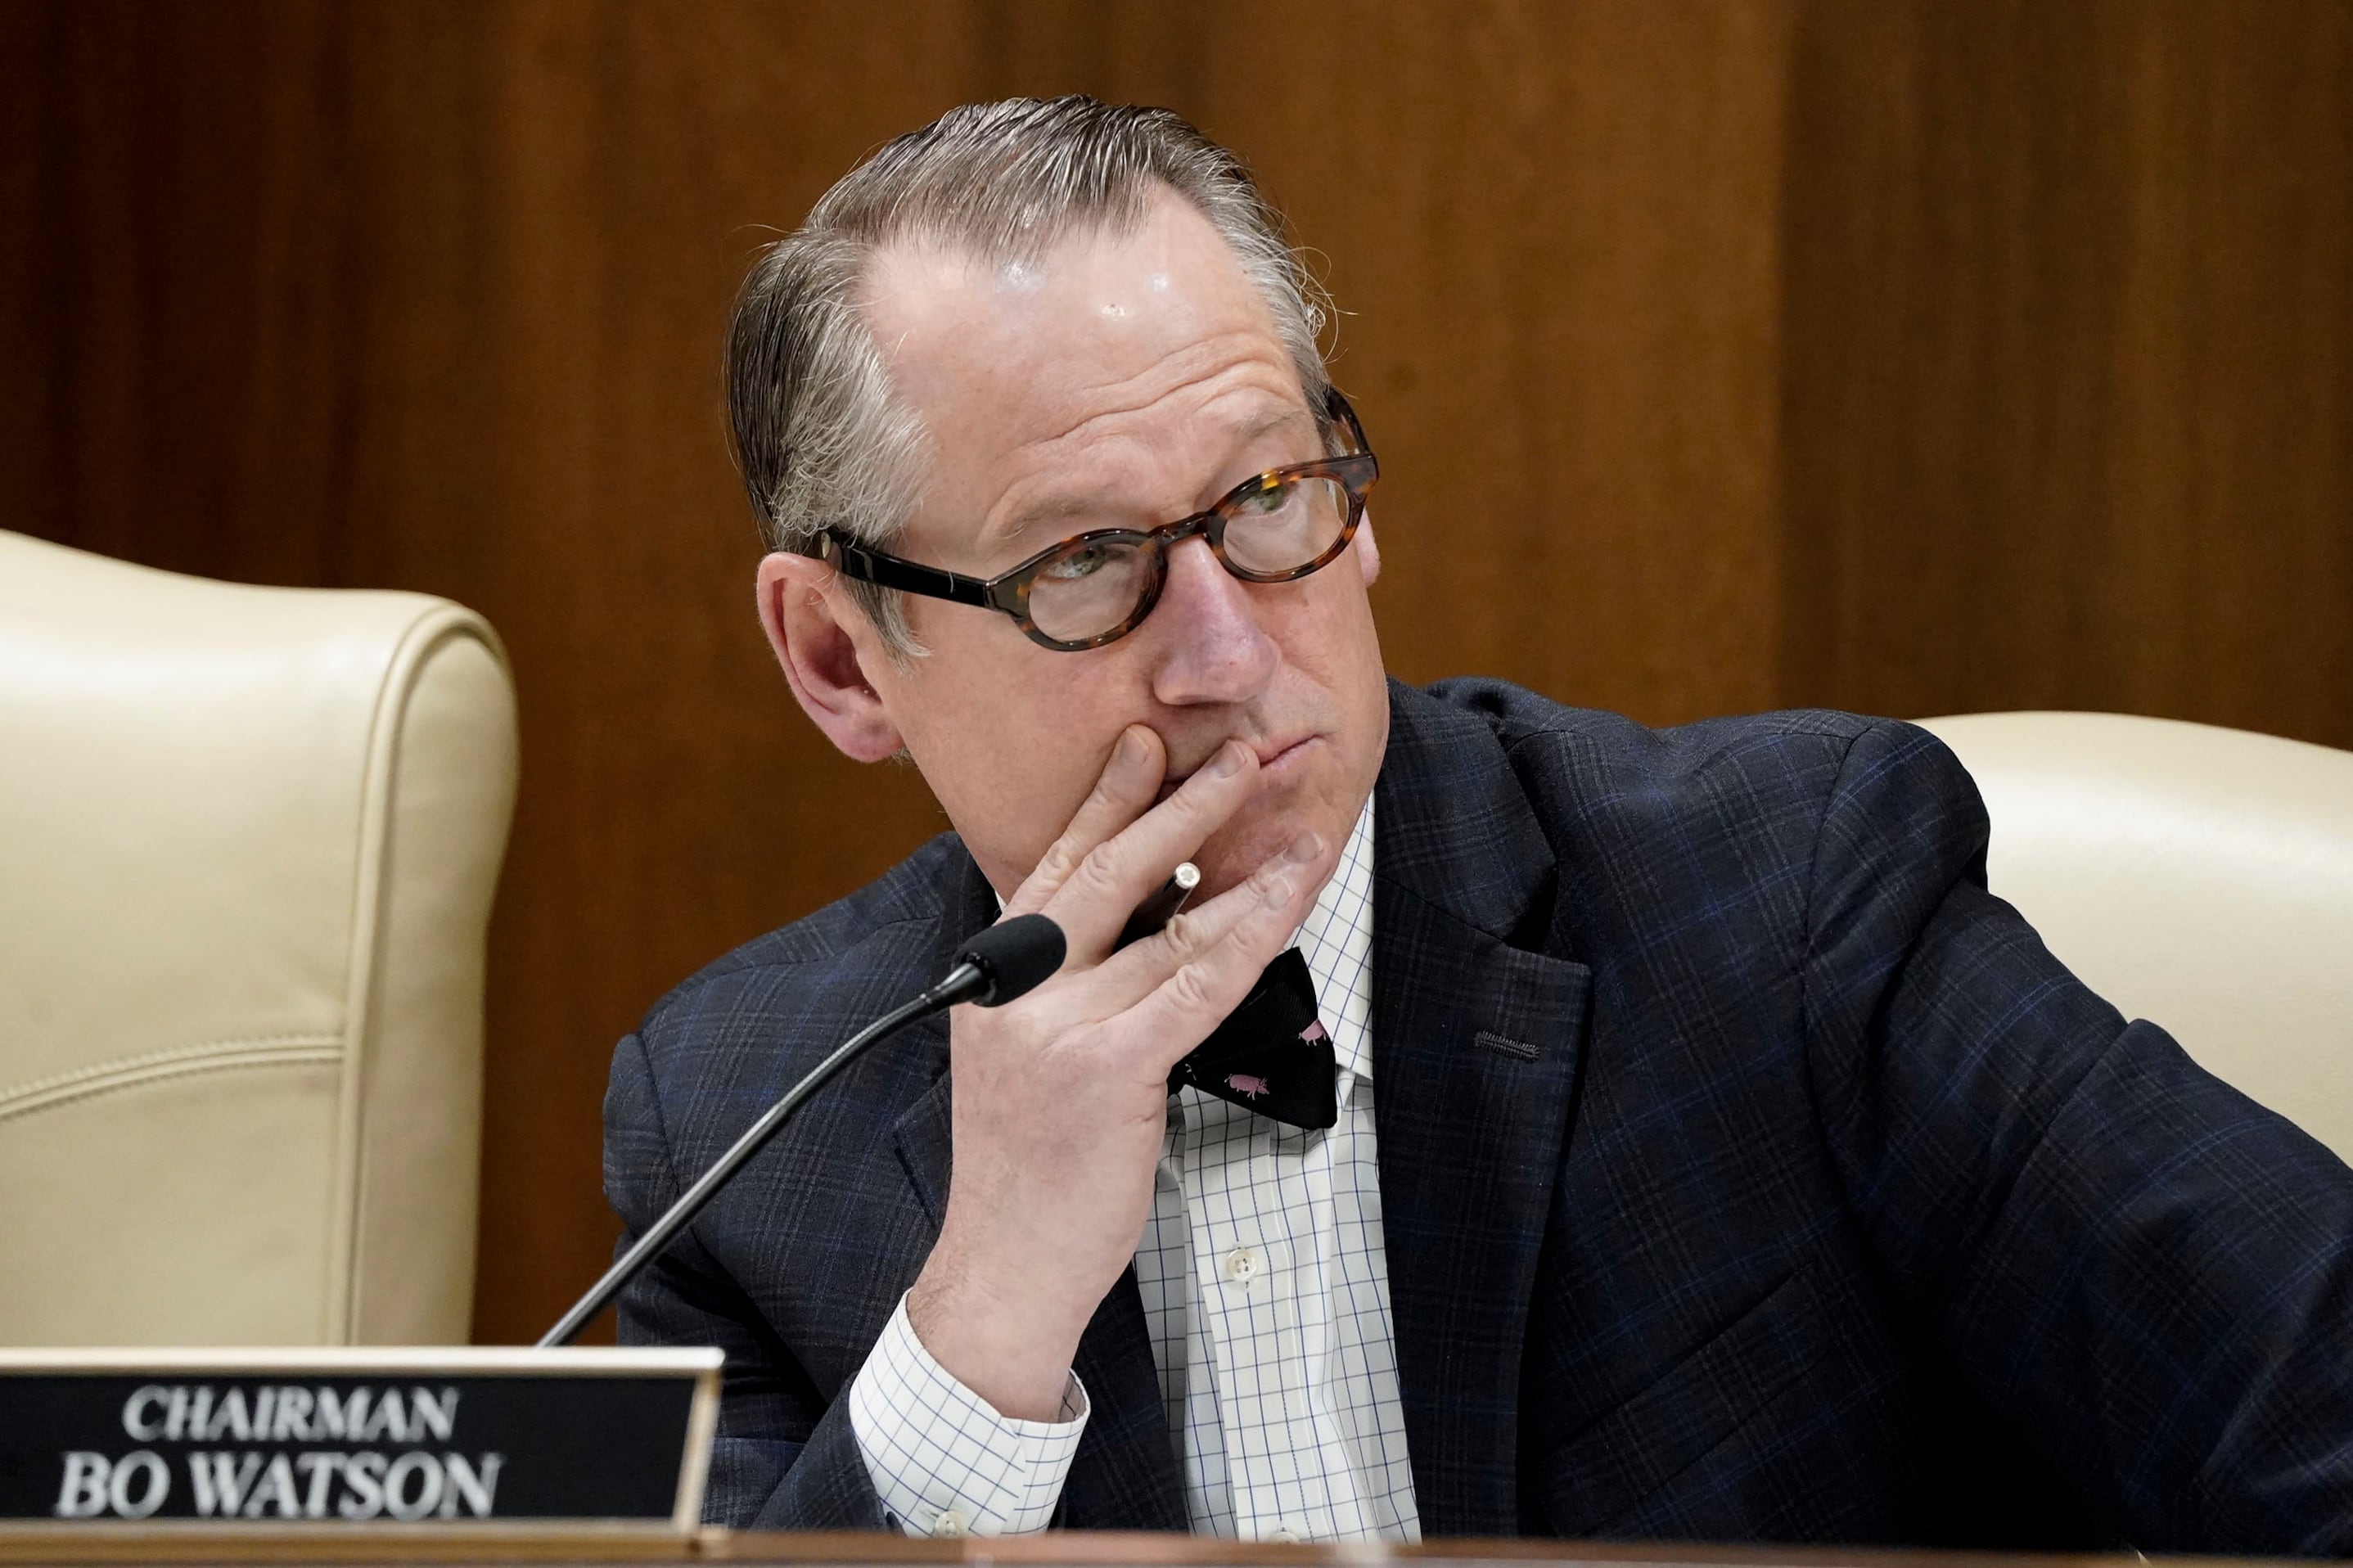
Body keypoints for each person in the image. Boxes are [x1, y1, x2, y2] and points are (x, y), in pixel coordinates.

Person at [603, 97, 2353, 1551]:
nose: (1225, 648)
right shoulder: (743, 1125)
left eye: (1267, 498)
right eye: (1087, 561)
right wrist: (981, 1321)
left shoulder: (1787, 910)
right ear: (841, 655)